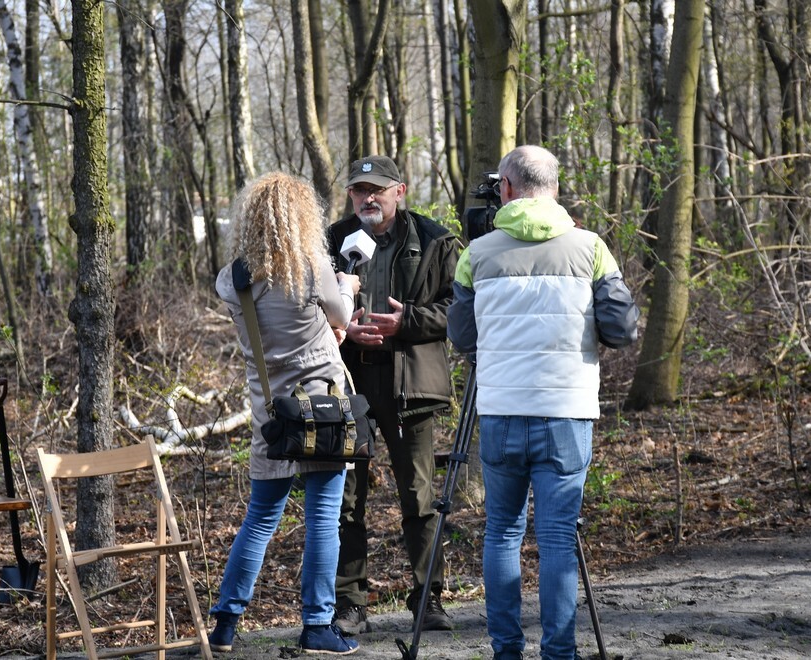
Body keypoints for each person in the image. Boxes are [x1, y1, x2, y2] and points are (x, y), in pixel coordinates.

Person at [447, 145, 640, 660]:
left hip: (501, 411)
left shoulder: (478, 254)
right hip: (566, 413)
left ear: (505, 188)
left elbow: (462, 337)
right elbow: (621, 329)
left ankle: (506, 651)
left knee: (501, 535)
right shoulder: (591, 248)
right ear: (555, 188)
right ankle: (560, 653)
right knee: (557, 539)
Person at [212, 172, 362, 655]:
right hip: (321, 408)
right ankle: (317, 624)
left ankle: (225, 624)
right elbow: (340, 316)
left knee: (260, 517)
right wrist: (348, 286)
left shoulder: (231, 278)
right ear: (301, 217)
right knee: (323, 516)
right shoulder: (312, 266)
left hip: (270, 411)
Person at [327, 155, 461, 634]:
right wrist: (342, 330)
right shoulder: (329, 241)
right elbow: (307, 308)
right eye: (359, 190)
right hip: (346, 383)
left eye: (377, 190)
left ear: (399, 192)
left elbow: (458, 311)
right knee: (345, 499)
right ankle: (349, 605)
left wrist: (406, 323)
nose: (368, 198)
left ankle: (428, 600)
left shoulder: (434, 239)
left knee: (419, 498)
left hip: (412, 384)